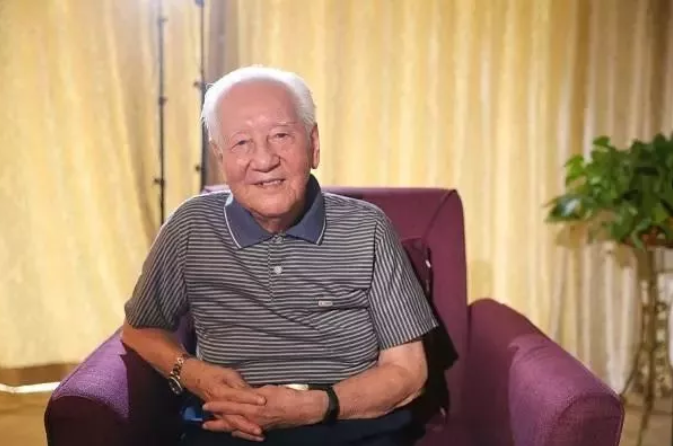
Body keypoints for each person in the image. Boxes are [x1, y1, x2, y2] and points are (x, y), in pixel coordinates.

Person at [121, 66, 439, 446]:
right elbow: (140, 329)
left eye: (281, 136)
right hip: (229, 428)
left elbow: (408, 371)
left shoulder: (367, 228)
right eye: (241, 143)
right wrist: (195, 375)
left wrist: (311, 407)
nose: (264, 160)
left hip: (349, 425)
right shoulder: (191, 227)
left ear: (314, 144)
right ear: (220, 156)